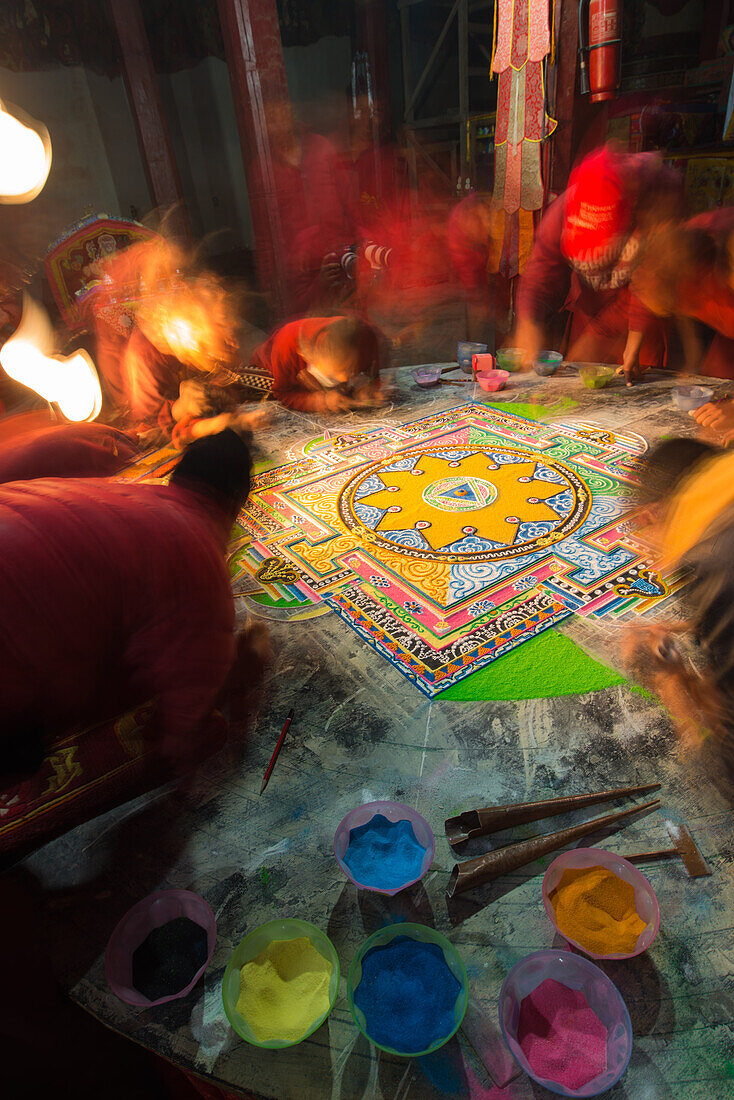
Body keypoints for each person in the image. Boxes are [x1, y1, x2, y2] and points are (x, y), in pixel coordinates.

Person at [0, 429, 256, 781]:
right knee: (22, 752)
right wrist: (237, 674)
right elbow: (182, 725)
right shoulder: (195, 547)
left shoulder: (127, 493)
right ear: (235, 503)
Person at [514, 145, 684, 383]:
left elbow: (651, 277)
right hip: (590, 303)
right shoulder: (560, 215)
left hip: (642, 306)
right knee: (579, 378)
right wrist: (528, 323)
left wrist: (633, 342)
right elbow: (539, 274)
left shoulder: (656, 198)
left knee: (638, 386)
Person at [622, 438, 734, 775]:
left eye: (644, 530)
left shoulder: (717, 566)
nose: (650, 555)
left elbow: (727, 767)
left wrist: (672, 685)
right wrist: (706, 626)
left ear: (652, 512)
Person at [250, 314, 388, 413]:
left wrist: (368, 387)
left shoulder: (364, 337)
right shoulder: (288, 346)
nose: (344, 378)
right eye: (337, 370)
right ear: (310, 358)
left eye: (350, 369)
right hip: (269, 373)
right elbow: (283, 393)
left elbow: (373, 374)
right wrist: (321, 401)